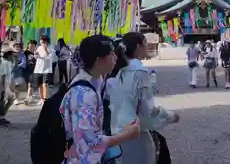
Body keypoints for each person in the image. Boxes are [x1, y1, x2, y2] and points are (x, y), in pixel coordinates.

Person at [60, 35, 140, 164]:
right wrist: (126, 135)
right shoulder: (83, 95)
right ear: (99, 60)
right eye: (111, 53)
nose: (115, 57)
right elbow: (89, 142)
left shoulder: (96, 80)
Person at [110, 32, 179, 164]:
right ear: (138, 46)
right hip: (135, 134)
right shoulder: (140, 72)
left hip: (119, 132)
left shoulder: (120, 72)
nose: (147, 46)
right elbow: (147, 111)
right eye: (145, 43)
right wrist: (169, 116)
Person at [0, 49, 15, 128]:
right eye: (12, 55)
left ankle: (1, 117)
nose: (13, 56)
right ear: (9, 56)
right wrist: (4, 88)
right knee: (3, 101)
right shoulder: (4, 63)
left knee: (11, 99)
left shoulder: (9, 63)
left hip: (7, 85)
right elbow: (3, 76)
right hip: (3, 85)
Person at [33, 35, 53, 105]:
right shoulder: (39, 47)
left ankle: (45, 99)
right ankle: (41, 99)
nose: (40, 42)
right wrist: (35, 55)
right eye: (40, 41)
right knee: (40, 85)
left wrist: (45, 49)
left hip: (47, 70)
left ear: (46, 41)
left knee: (45, 84)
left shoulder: (50, 47)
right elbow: (36, 56)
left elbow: (50, 57)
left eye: (42, 41)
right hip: (38, 69)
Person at [23, 40, 37, 105]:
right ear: (28, 45)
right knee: (29, 84)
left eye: (33, 45)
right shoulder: (25, 52)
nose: (32, 46)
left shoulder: (36, 53)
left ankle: (29, 97)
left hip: (34, 70)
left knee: (30, 84)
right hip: (27, 70)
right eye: (30, 44)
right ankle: (29, 97)